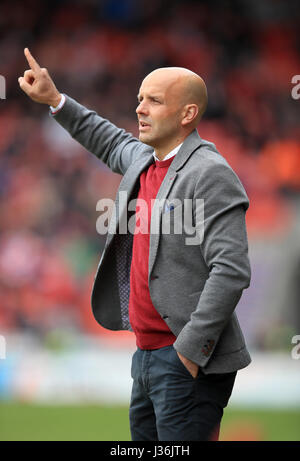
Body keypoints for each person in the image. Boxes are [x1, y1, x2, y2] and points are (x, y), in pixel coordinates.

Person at [19, 48, 252, 441]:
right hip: (145, 356)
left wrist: (189, 353)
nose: (140, 108)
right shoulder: (146, 159)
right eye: (141, 98)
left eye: (154, 101)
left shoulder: (210, 173)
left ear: (187, 114)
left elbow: (231, 270)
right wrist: (56, 101)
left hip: (186, 359)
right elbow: (106, 138)